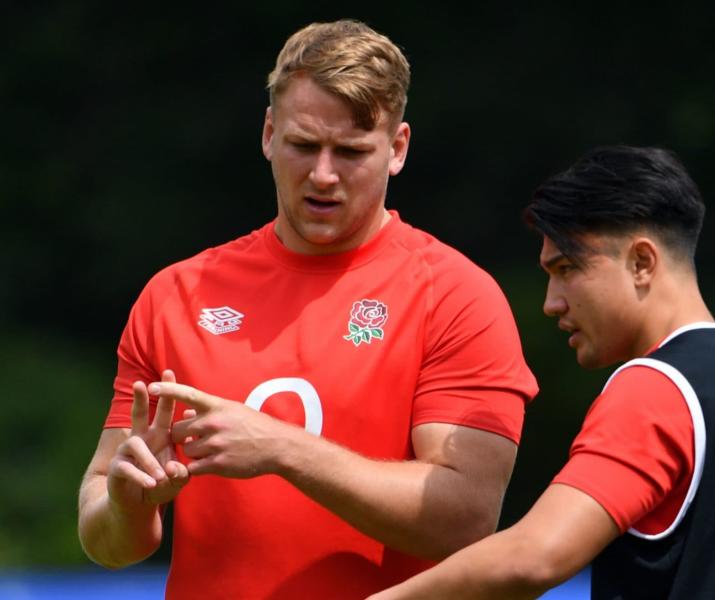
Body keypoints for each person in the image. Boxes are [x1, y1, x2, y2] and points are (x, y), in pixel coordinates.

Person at [77, 19, 538, 599]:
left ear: (397, 150)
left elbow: (465, 520)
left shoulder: (455, 296)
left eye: (350, 152)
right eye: (302, 144)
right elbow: (109, 538)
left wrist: (281, 448)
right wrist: (123, 505)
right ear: (269, 134)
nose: (323, 175)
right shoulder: (176, 294)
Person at [369, 145, 715, 600]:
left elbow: (534, 556)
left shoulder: (658, 388)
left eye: (565, 270)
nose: (550, 303)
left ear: (642, 261)